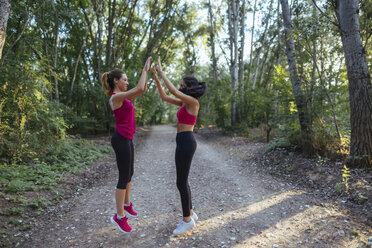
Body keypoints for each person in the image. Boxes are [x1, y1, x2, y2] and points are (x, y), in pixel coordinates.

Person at [152, 57, 206, 235]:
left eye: (182, 85)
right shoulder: (185, 102)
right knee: (183, 180)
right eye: (180, 85)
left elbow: (173, 90)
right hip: (182, 140)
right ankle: (190, 213)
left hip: (187, 140)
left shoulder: (193, 102)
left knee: (180, 182)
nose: (180, 87)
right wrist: (157, 79)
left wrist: (161, 71)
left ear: (188, 87)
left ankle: (187, 220)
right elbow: (165, 96)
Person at [101, 57, 152, 233]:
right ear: (116, 81)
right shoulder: (116, 97)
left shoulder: (121, 96)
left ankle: (127, 203)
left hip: (127, 138)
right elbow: (139, 88)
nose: (126, 82)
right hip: (120, 139)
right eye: (124, 79)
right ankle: (119, 216)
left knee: (130, 173)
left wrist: (146, 73)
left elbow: (143, 88)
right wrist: (144, 69)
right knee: (123, 177)